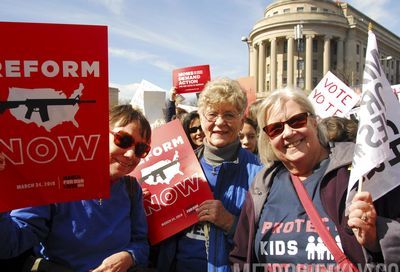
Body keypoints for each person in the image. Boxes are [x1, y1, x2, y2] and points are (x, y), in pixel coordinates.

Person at [230, 88, 400, 270]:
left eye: (297, 121)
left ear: (314, 122)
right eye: (275, 129)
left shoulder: (360, 172)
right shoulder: (262, 186)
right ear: (268, 139)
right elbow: (240, 258)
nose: (288, 132)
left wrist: (376, 239)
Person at [0, 104, 151, 272]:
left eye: (140, 149)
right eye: (123, 140)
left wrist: (129, 256)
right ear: (97, 135)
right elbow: (10, 244)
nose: (131, 154)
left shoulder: (131, 189)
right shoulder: (52, 183)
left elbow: (141, 244)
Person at [157, 78, 263, 272]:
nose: (220, 122)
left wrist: (231, 224)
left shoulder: (261, 174)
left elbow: (271, 241)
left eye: (229, 114)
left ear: (241, 119)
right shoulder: (177, 166)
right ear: (201, 117)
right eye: (212, 114)